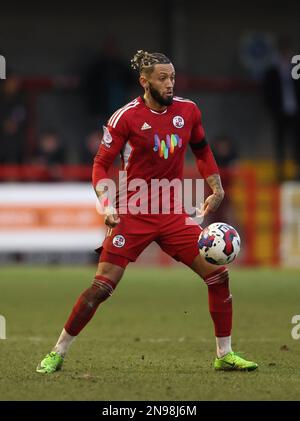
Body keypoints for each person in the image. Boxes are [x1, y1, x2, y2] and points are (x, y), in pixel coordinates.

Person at [37, 50, 258, 374]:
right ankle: (58, 351)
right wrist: (106, 203)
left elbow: (201, 149)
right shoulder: (124, 118)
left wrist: (216, 185)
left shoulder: (189, 111)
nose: (170, 84)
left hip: (172, 213)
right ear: (144, 82)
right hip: (133, 211)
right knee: (101, 287)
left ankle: (224, 354)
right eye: (162, 78)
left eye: (172, 78)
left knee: (217, 276)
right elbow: (100, 164)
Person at [263, 36, 300, 181]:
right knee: (280, 141)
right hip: (280, 111)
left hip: (296, 111)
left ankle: (297, 171)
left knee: (297, 141)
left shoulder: (296, 67)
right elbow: (268, 91)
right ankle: (280, 171)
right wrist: (273, 109)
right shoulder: (272, 69)